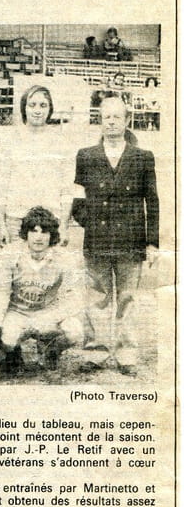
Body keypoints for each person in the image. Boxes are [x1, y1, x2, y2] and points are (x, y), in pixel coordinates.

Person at [72, 95, 159, 376]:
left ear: (127, 120)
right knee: (96, 297)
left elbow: (152, 201)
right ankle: (95, 351)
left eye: (117, 117)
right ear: (99, 120)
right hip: (97, 240)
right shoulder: (85, 155)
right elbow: (77, 199)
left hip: (130, 241)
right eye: (106, 116)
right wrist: (92, 222)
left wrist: (151, 242)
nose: (111, 121)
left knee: (127, 299)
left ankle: (126, 354)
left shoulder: (143, 157)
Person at [0, 206, 85, 375]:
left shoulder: (64, 258)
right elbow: (1, 292)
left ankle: (51, 350)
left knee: (75, 331)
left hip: (46, 312)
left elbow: (74, 299)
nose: (39, 237)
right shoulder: (10, 254)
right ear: (25, 234)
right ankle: (13, 353)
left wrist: (50, 317)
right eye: (34, 231)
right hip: (18, 312)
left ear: (52, 236)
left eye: (45, 232)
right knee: (8, 339)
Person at [0, 84, 74, 245]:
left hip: (51, 220)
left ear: (50, 109)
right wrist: (1, 225)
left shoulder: (62, 142)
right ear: (24, 108)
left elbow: (67, 189)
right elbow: (1, 187)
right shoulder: (9, 140)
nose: (38, 110)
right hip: (16, 220)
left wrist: (64, 226)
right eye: (32, 105)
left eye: (43, 105)